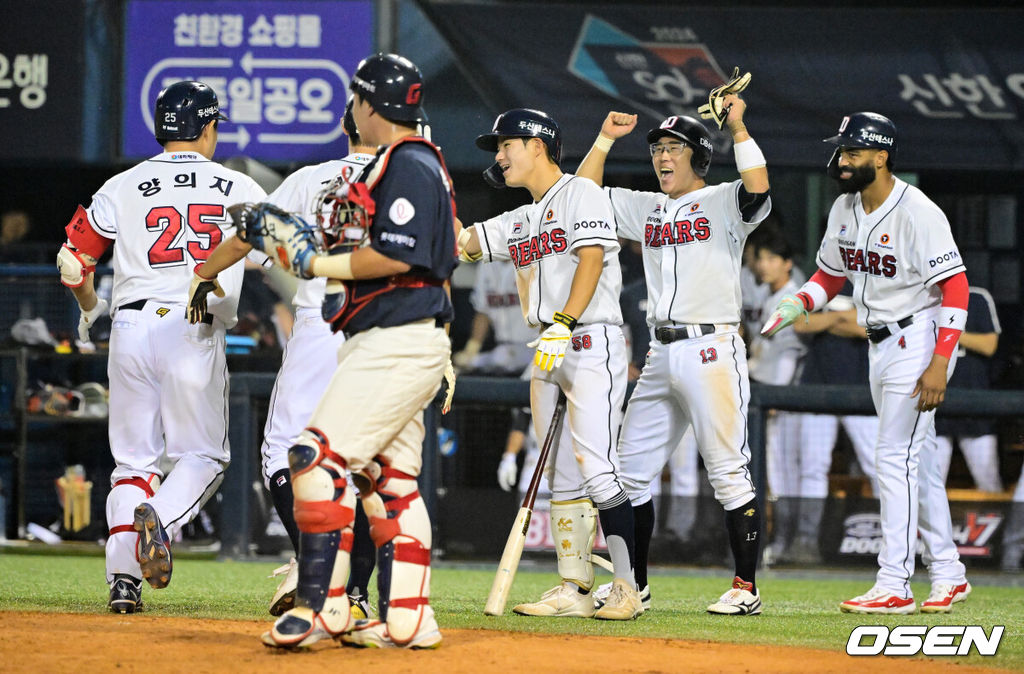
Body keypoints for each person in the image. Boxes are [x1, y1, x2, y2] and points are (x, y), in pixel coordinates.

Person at [246, 53, 456, 649]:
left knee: (313, 459)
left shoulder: (407, 164)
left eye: (356, 100)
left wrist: (313, 262)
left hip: (396, 342)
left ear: (368, 106)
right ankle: (411, 620)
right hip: (401, 337)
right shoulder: (411, 163)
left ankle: (323, 606)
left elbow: (397, 255)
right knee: (391, 482)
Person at [55, 81, 267, 614]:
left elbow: (71, 263)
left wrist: (88, 309)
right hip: (193, 322)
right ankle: (161, 519)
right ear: (207, 127)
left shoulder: (123, 184)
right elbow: (278, 252)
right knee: (204, 456)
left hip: (128, 328)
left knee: (132, 465)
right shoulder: (237, 184)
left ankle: (124, 582)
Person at [762, 111, 971, 614]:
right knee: (914, 463)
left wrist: (941, 361)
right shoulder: (843, 208)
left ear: (881, 156)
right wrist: (800, 302)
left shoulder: (918, 211)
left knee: (892, 456)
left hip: (919, 335)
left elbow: (956, 287)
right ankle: (948, 572)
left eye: (853, 152)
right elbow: (830, 276)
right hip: (878, 343)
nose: (842, 160)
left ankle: (894, 581)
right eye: (841, 151)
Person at [577, 97, 771, 615]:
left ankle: (745, 589)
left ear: (699, 156)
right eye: (658, 148)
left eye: (674, 148)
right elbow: (582, 195)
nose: (662, 157)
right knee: (628, 473)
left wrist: (739, 127)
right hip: (660, 352)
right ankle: (633, 584)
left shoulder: (724, 200)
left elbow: (758, 188)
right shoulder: (648, 208)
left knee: (728, 471)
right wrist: (603, 140)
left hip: (711, 346)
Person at [186, 97, 379, 619]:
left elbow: (248, 239)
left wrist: (204, 273)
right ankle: (357, 595)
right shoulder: (412, 173)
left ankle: (312, 567)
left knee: (282, 454)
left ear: (346, 126)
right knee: (365, 466)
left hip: (324, 323)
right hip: (391, 331)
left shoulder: (313, 178)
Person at [459, 108, 642, 620]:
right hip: (547, 346)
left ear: (538, 145)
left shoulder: (580, 191)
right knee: (562, 478)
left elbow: (592, 259)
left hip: (587, 339)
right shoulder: (520, 217)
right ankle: (574, 588)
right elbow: (463, 242)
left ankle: (627, 589)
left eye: (506, 144)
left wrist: (564, 321)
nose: (499, 156)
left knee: (599, 471)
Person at [786, 290, 879, 564]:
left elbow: (869, 329)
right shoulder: (822, 286)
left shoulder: (867, 282)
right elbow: (801, 322)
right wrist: (845, 319)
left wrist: (828, 319)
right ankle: (805, 541)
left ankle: (896, 543)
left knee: (879, 467)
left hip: (861, 390)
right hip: (818, 388)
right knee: (812, 469)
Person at [748, 236, 808, 566]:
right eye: (761, 258)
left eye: (772, 258)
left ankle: (786, 542)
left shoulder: (793, 295)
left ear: (787, 263)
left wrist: (778, 395)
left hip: (784, 395)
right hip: (764, 385)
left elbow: (790, 355)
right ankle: (776, 542)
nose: (764, 265)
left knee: (783, 474)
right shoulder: (766, 293)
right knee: (769, 472)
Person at [935, 286, 1002, 492]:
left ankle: (992, 525)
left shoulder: (976, 296)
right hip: (934, 402)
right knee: (928, 485)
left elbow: (989, 345)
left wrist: (948, 333)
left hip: (973, 401)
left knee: (988, 481)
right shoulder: (921, 295)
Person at [453, 260, 536, 375]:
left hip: (535, 347)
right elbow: (483, 312)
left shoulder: (536, 259)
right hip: (502, 348)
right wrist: (471, 350)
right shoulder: (486, 264)